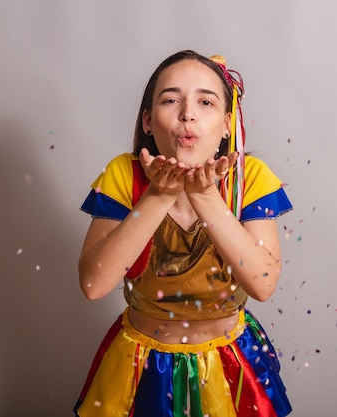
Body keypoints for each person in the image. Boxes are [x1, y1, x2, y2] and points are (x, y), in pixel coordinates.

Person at [74, 50, 293, 417]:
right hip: (141, 364)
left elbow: (263, 284)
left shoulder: (249, 178)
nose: (187, 113)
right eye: (171, 99)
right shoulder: (123, 175)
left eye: (205, 102)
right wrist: (159, 195)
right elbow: (94, 285)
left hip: (229, 362)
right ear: (147, 120)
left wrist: (206, 197)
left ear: (227, 124)